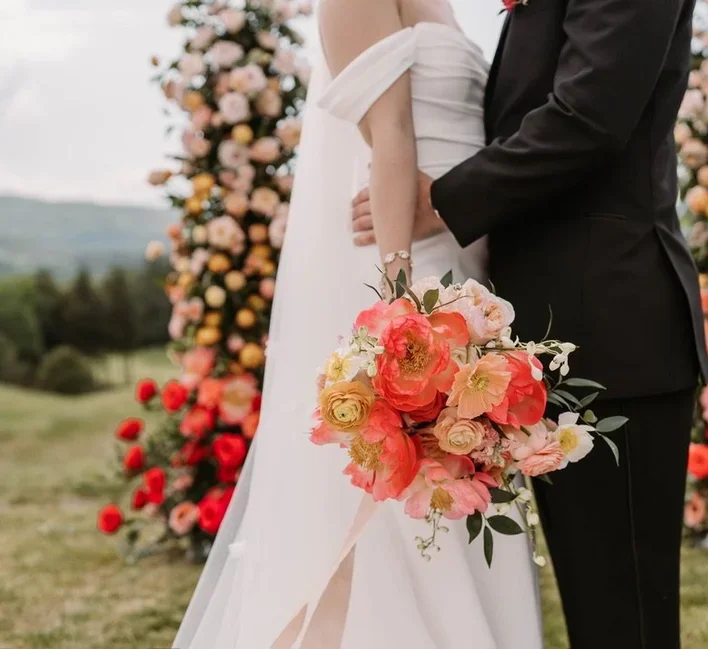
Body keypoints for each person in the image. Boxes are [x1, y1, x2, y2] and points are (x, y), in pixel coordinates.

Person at [174, 0, 543, 647]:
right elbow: (392, 134)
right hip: (405, 254)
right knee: (398, 498)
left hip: (463, 251)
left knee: (462, 475)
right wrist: (402, 305)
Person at [351, 0, 708, 647]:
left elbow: (590, 115)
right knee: (596, 605)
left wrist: (441, 199)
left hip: (613, 327)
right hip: (556, 329)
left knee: (623, 614)